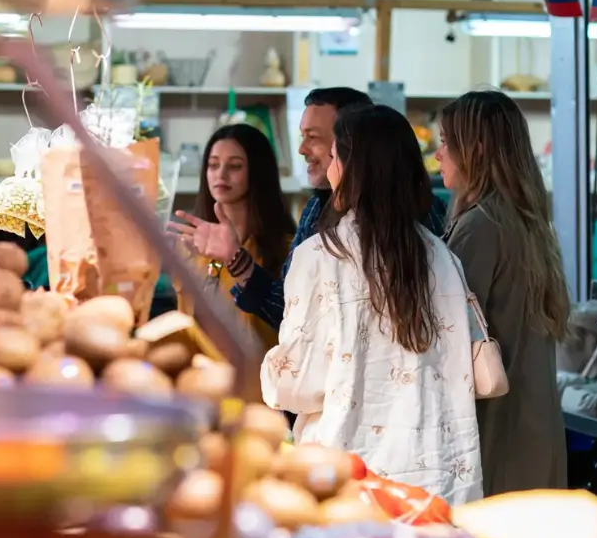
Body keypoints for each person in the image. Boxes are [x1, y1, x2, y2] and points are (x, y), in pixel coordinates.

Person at [260, 105, 482, 505]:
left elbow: (300, 382)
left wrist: (269, 374)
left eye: (333, 159)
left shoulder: (320, 256)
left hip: (349, 479)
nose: (328, 171)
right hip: (438, 480)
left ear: (351, 169)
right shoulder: (443, 257)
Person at [171, 87, 447, 333]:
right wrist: (236, 260)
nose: (302, 149)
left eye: (313, 137)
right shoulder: (317, 209)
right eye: (213, 164)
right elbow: (290, 315)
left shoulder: (422, 214)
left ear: (353, 141)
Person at [436, 89, 570, 496]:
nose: (437, 155)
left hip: (498, 432)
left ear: (474, 150)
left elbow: (448, 330)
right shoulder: (526, 221)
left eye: (445, 143)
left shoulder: (481, 227)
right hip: (534, 427)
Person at [171, 123, 296, 395]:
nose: (221, 174)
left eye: (235, 166)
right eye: (213, 165)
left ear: (257, 172)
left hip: (264, 394)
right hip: (200, 388)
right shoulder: (193, 246)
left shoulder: (284, 249)